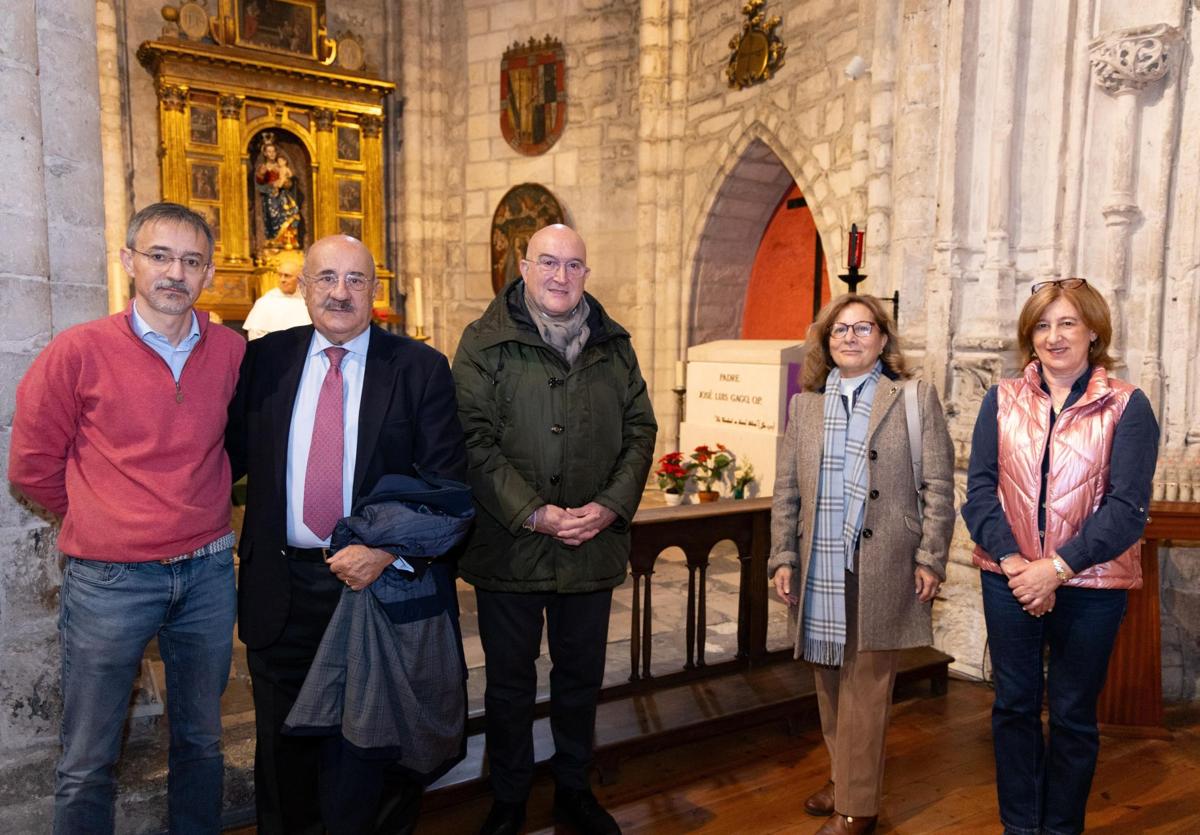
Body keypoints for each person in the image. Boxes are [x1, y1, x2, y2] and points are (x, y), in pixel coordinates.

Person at [9, 202, 245, 834]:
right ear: (129, 262)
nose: (176, 273)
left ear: (209, 273)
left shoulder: (230, 351)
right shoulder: (78, 351)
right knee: (88, 756)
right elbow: (31, 466)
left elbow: (241, 443)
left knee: (200, 741)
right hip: (110, 580)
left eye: (191, 261)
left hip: (207, 574)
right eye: (160, 256)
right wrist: (104, 516)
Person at [226, 234, 467, 834]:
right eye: (326, 278)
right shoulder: (264, 360)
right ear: (303, 287)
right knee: (284, 757)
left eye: (355, 279)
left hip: (371, 589)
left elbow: (448, 489)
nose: (340, 292)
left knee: (368, 754)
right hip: (279, 586)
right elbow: (218, 457)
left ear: (374, 292)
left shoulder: (419, 368)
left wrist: (386, 551)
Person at [453, 224, 657, 835]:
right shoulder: (483, 343)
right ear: (523, 266)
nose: (560, 276)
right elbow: (473, 439)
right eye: (548, 262)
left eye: (573, 265)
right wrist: (534, 512)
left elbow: (641, 431)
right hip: (510, 545)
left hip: (591, 545)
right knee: (510, 684)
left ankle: (574, 788)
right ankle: (509, 797)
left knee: (579, 679)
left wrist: (611, 506)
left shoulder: (614, 345)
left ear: (586, 274)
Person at [962, 278, 1158, 835]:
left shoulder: (1126, 404)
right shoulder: (1000, 399)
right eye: (1043, 325)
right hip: (1010, 580)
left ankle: (1061, 828)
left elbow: (1127, 508)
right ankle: (1020, 828)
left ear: (1093, 331)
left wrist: (1058, 568)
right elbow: (978, 491)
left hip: (1092, 586)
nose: (1054, 336)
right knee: (1014, 707)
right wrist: (1015, 562)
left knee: (1073, 717)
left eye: (1068, 323)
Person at [769, 294, 955, 835]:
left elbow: (939, 486)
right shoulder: (805, 406)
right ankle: (843, 775)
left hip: (884, 563)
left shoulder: (913, 398)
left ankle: (859, 806)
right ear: (825, 343)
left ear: (882, 338)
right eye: (839, 330)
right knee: (828, 682)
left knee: (867, 689)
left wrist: (932, 558)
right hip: (819, 564)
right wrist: (783, 554)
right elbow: (786, 490)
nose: (850, 337)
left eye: (863, 328)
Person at [242, 250, 311, 339]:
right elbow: (255, 333)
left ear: (299, 278)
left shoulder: (308, 301)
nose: (282, 280)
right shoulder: (266, 301)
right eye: (280, 275)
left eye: (287, 276)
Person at [254, 132, 304, 249]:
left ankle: (288, 241)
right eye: (269, 151)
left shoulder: (281, 166)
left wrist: (285, 183)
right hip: (271, 198)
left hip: (283, 197)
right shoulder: (263, 167)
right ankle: (274, 240)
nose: (272, 154)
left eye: (273, 151)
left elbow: (290, 183)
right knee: (273, 217)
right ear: (265, 153)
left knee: (290, 213)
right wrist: (270, 185)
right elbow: (259, 184)